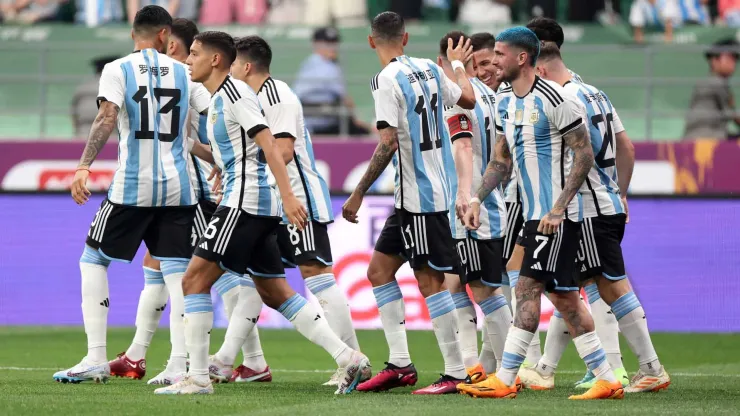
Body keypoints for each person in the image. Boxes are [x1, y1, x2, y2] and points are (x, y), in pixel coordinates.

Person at [155, 31, 370, 395]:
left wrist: (288, 197)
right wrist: (193, 146)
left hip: (246, 202)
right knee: (275, 292)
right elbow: (235, 152)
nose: (188, 60)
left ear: (217, 60)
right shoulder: (223, 97)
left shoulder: (237, 95)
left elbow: (271, 144)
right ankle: (349, 358)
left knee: (194, 281)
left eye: (194, 54)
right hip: (254, 201)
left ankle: (199, 378)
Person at [457, 27, 623, 400]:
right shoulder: (504, 100)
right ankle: (608, 378)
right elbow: (501, 160)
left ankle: (506, 376)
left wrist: (559, 207)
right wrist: (477, 199)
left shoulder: (555, 98)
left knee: (526, 287)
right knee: (565, 300)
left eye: (499, 54)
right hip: (531, 215)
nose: (493, 60)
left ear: (521, 58)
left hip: (557, 217)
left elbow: (584, 153)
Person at [53, 5, 211, 384]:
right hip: (178, 188)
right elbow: (213, 115)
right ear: (165, 36)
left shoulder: (117, 69)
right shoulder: (185, 73)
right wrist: (223, 162)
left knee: (93, 259)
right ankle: (180, 364)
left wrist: (83, 165)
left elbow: (107, 116)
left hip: (132, 186)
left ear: (133, 33)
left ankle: (95, 358)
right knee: (177, 276)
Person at [518, 40, 671, 394]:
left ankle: (637, 368)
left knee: (606, 286)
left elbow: (575, 155)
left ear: (538, 66)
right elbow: (627, 147)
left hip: (585, 207)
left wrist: (559, 204)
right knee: (574, 285)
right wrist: (621, 191)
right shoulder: (595, 93)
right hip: (608, 202)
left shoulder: (562, 98)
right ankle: (549, 368)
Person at [342, 11, 478, 395]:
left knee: (430, 281)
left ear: (372, 42)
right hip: (419, 195)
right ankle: (400, 364)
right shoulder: (429, 69)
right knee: (379, 271)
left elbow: (387, 142)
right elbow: (467, 98)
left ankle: (456, 372)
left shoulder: (384, 80)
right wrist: (457, 65)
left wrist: (359, 191)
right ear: (404, 38)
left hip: (421, 198)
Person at [103, 17, 241, 387]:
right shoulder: (186, 80)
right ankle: (139, 354)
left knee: (207, 276)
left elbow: (226, 130)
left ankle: (204, 361)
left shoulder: (192, 82)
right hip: (182, 187)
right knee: (165, 267)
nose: (189, 58)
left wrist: (222, 163)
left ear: (172, 46)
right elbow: (191, 138)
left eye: (194, 52)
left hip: (190, 191)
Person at [438, 31, 512, 385]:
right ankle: (472, 364)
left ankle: (512, 368)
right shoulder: (489, 94)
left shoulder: (458, 96)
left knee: (485, 290)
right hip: (485, 202)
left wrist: (466, 196)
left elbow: (465, 148)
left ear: (445, 61)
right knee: (454, 284)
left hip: (472, 210)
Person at [467, 31, 508, 375]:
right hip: (495, 202)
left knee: (512, 289)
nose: (485, 70)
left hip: (510, 205)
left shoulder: (510, 98)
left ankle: (517, 368)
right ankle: (489, 364)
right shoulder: (482, 100)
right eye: (478, 65)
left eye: (490, 62)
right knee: (499, 288)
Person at [293, 27, 371, 136]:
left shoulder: (307, 63)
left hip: (307, 125)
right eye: (327, 43)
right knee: (364, 132)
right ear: (316, 44)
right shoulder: (329, 66)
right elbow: (346, 99)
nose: (332, 47)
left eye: (334, 43)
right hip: (324, 125)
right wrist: (360, 122)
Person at [684, 39, 740, 139]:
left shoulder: (714, 82)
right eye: (729, 59)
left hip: (710, 135)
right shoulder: (715, 82)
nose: (733, 64)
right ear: (714, 61)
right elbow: (733, 116)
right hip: (707, 137)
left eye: (735, 59)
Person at [71, 56, 120, 138]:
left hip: (84, 131)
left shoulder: (83, 87)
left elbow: (73, 111)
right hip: (110, 133)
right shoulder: (116, 86)